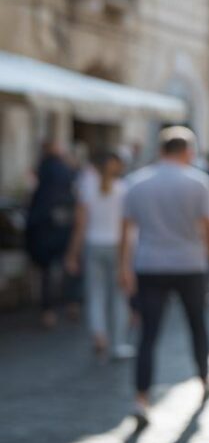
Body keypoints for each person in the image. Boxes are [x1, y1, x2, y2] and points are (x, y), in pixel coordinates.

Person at [119, 126, 209, 426]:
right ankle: (205, 378)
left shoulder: (137, 183)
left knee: (148, 334)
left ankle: (141, 397)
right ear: (188, 151)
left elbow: (126, 231)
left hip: (150, 264)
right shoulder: (198, 182)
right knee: (197, 324)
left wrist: (123, 267)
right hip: (189, 264)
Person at [65, 151, 131, 359]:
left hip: (94, 245)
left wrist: (72, 253)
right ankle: (118, 342)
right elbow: (126, 227)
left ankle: (99, 334)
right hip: (116, 245)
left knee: (96, 294)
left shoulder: (88, 187)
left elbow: (81, 225)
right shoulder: (123, 189)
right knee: (118, 296)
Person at [25, 140, 78, 328]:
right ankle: (71, 303)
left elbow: (32, 193)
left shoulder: (42, 169)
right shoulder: (66, 170)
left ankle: (48, 310)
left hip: (44, 226)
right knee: (68, 265)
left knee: (47, 270)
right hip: (63, 225)